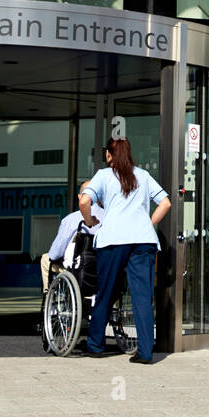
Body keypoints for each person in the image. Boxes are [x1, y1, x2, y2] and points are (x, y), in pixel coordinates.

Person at [79, 137, 170, 363]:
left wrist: (89, 221)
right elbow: (166, 203)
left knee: (106, 293)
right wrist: (148, 224)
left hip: (113, 240)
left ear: (109, 155)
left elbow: (83, 202)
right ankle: (146, 352)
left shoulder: (103, 175)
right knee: (142, 297)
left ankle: (96, 344)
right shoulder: (144, 175)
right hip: (143, 240)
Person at [40, 182, 103, 293]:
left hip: (78, 269)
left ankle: (48, 296)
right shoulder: (110, 218)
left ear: (80, 197)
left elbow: (55, 254)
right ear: (99, 197)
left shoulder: (71, 219)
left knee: (46, 259)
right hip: (104, 267)